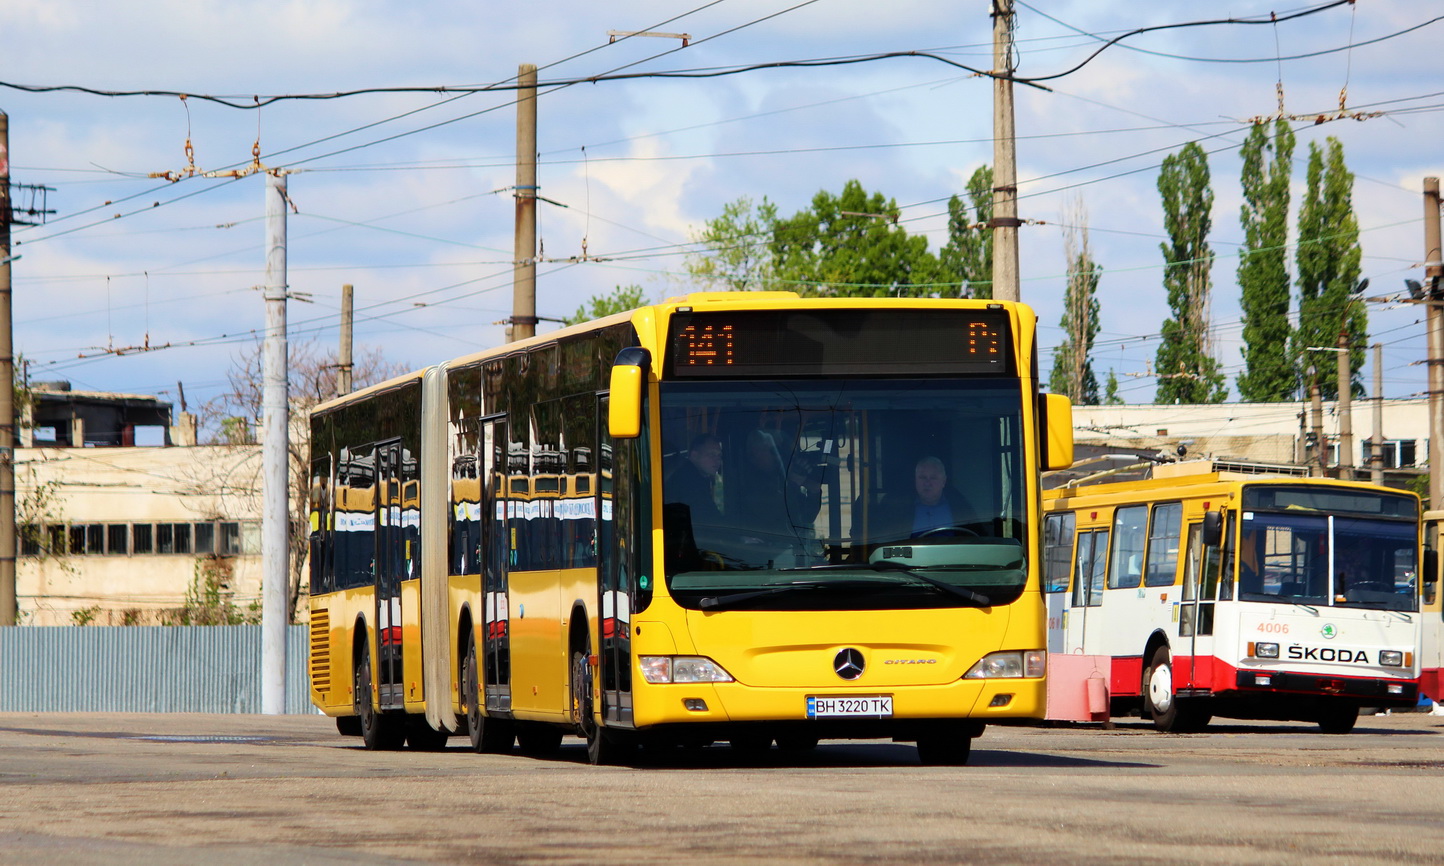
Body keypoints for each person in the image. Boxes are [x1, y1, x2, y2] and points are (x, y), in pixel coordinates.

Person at [878, 456, 980, 539]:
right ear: (915, 480)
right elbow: (887, 542)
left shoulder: (960, 507)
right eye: (922, 477)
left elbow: (977, 539)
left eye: (933, 478)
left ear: (943, 481)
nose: (927, 483)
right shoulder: (898, 509)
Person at [664, 433, 723, 524]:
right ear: (694, 455)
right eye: (712, 454)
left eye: (719, 455)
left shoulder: (695, 477)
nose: (717, 460)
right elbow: (710, 519)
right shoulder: (688, 482)